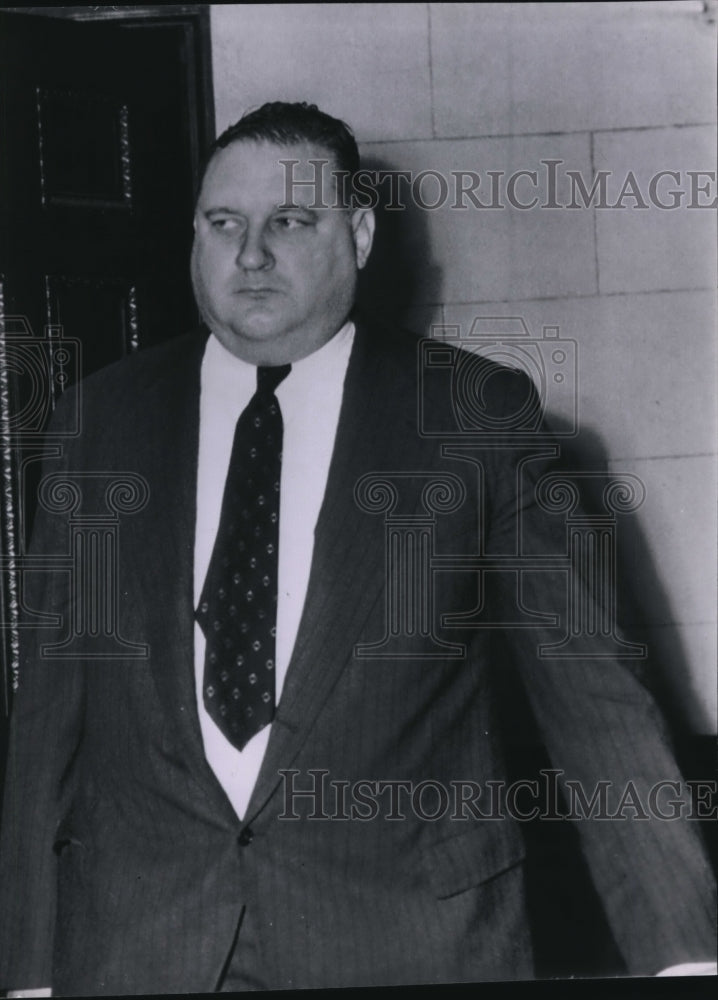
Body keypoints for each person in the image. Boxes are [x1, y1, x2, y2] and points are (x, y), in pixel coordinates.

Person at [0, 102, 714, 996]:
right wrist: (25, 971)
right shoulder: (97, 423)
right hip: (139, 952)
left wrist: (687, 954)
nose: (250, 254)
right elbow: (48, 725)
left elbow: (595, 702)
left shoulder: (470, 418)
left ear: (361, 234)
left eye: (291, 222)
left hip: (407, 944)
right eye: (224, 224)